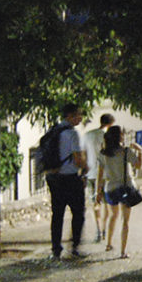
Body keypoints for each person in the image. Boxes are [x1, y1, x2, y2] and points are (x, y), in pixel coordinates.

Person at [45, 103, 88, 259]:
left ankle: (56, 249)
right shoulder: (72, 134)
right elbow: (78, 159)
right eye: (78, 115)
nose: (80, 118)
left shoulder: (54, 130)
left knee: (57, 215)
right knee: (78, 213)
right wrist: (86, 167)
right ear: (70, 116)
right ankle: (75, 247)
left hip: (54, 178)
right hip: (70, 179)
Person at [96, 125, 141, 259]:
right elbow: (138, 165)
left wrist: (98, 192)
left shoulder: (103, 154)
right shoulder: (126, 152)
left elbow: (100, 174)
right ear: (119, 136)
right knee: (125, 221)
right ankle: (122, 251)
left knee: (113, 216)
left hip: (110, 188)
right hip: (126, 187)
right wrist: (140, 151)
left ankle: (108, 244)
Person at [84, 113, 115, 242]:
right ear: (110, 124)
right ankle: (104, 229)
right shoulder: (108, 137)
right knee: (107, 204)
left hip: (91, 173)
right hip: (105, 174)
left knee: (95, 203)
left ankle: (98, 230)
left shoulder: (88, 135)